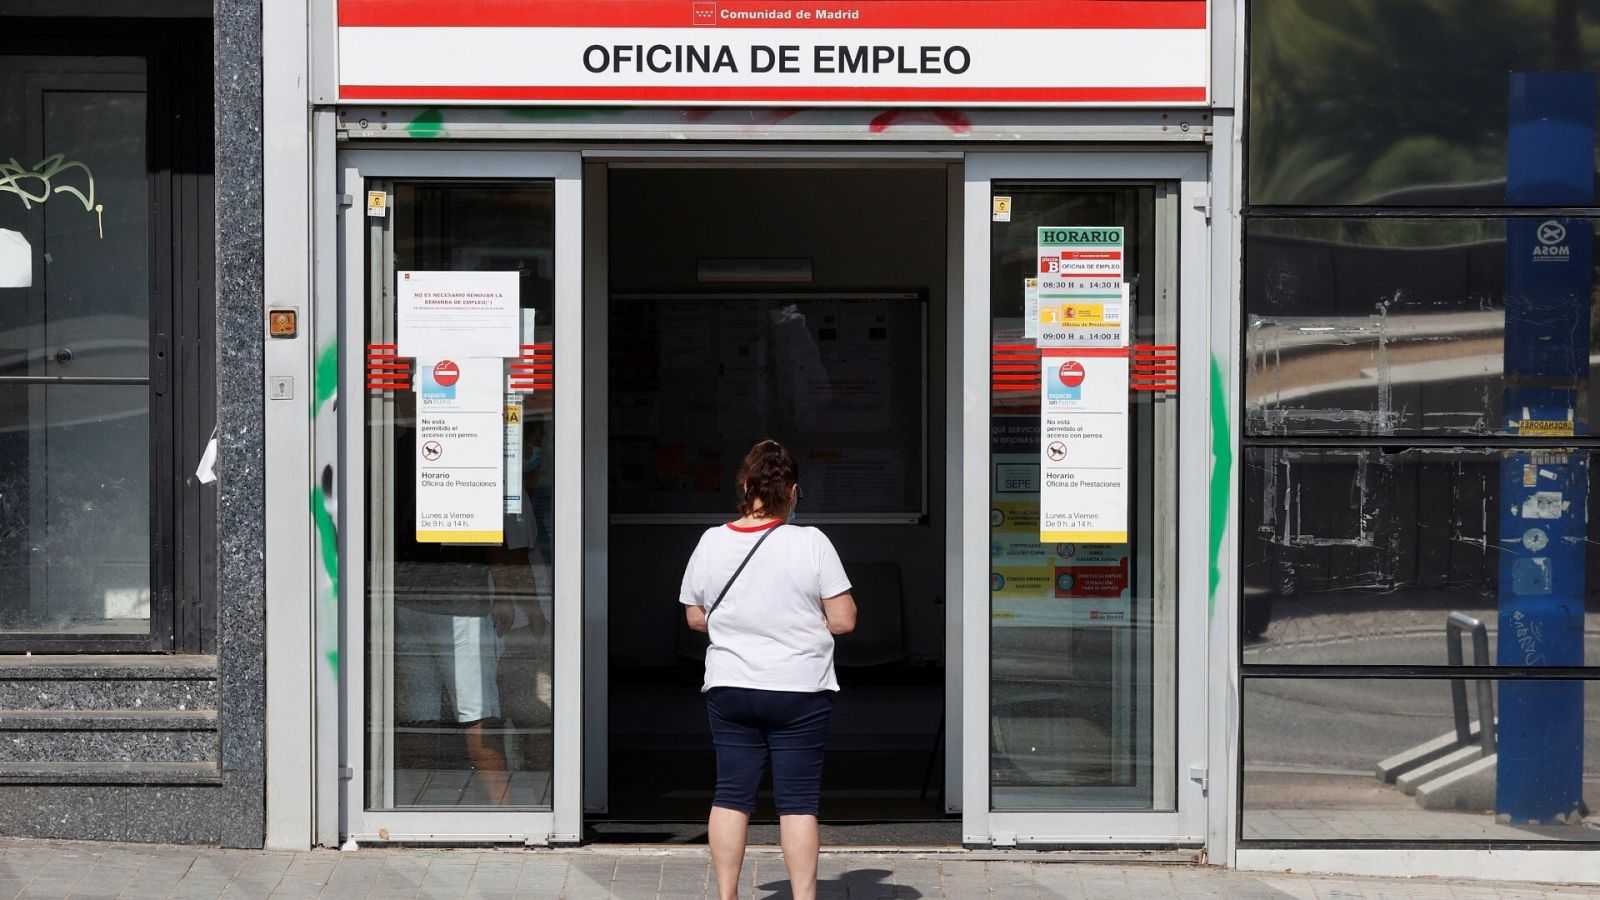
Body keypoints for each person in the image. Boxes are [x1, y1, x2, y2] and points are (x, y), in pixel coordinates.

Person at [679, 439, 857, 900]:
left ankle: (727, 895)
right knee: (797, 802)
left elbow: (696, 617)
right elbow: (843, 619)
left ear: (743, 486)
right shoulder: (812, 542)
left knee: (731, 793)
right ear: (794, 492)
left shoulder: (711, 541)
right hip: (799, 688)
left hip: (731, 686)